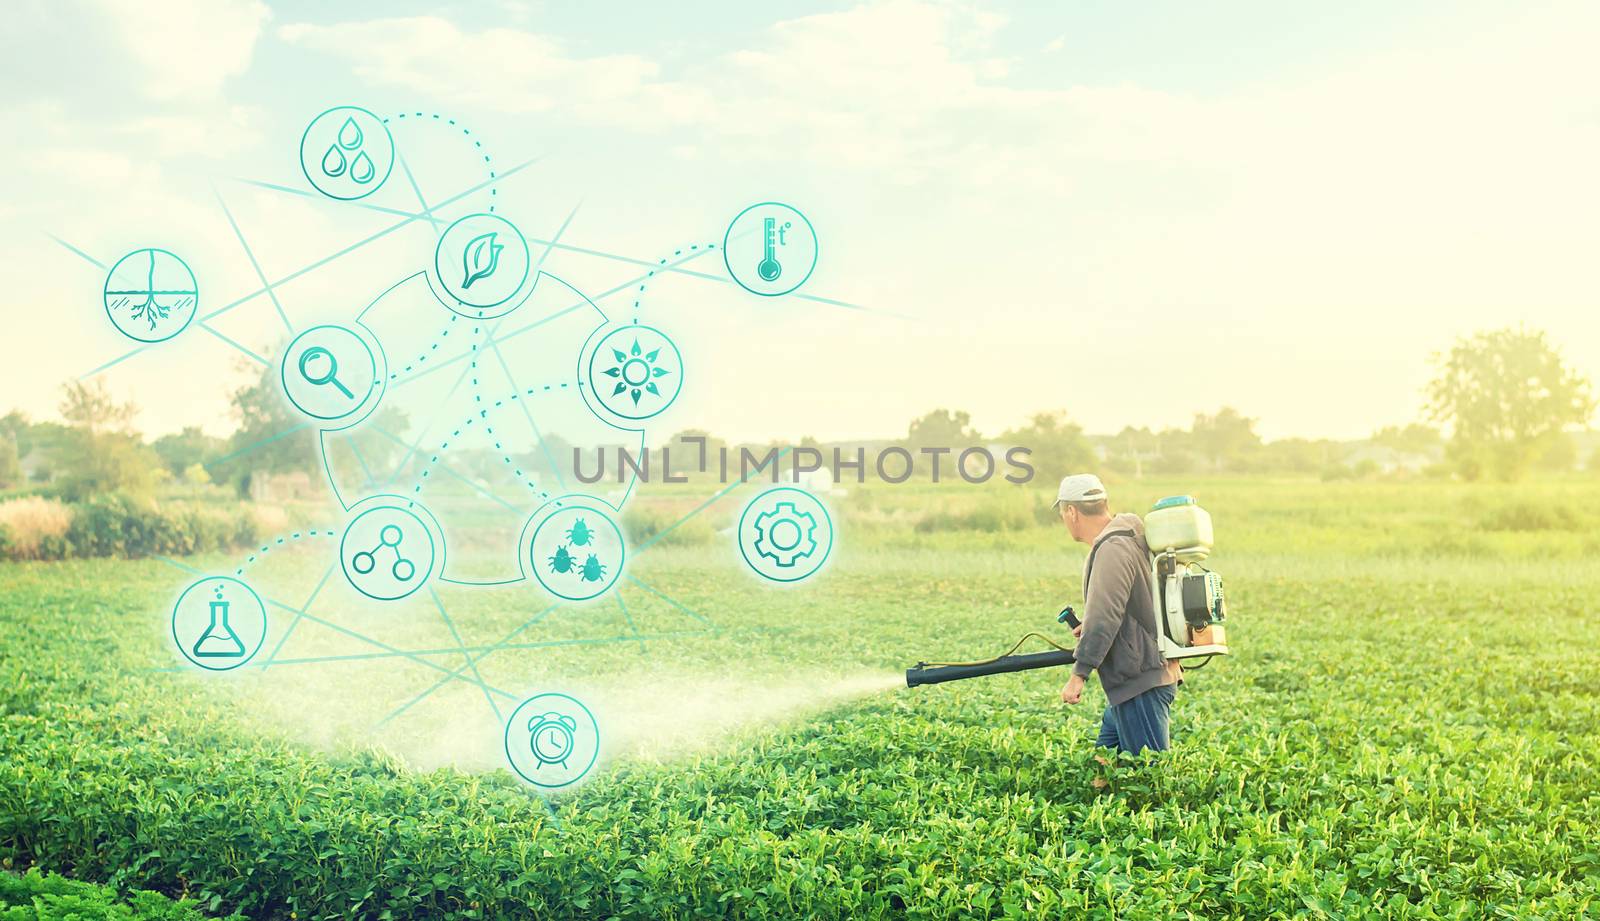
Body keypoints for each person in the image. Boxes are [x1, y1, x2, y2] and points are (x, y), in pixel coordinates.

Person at [1054, 474, 1182, 754]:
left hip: (1140, 683)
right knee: (1103, 766)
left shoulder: (1113, 549)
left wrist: (1079, 674)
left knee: (1149, 777)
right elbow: (1126, 604)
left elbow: (1105, 617)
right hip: (1139, 679)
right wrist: (1088, 626)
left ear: (1072, 512)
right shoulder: (1128, 537)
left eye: (1063, 513)